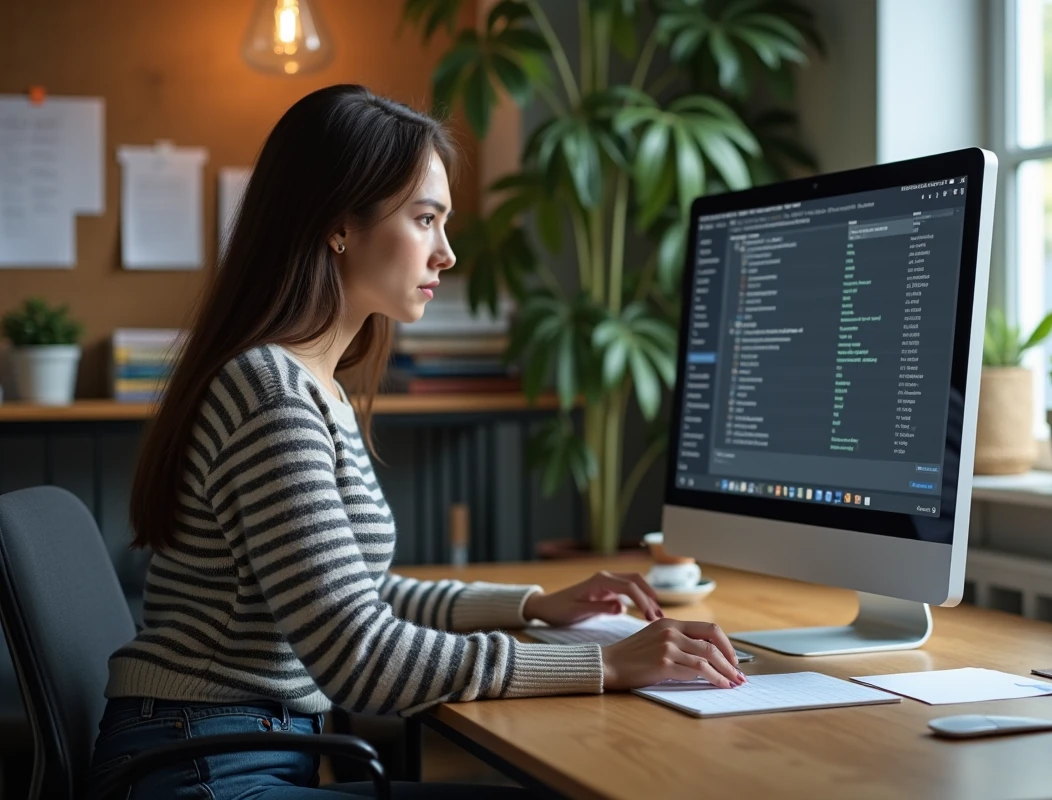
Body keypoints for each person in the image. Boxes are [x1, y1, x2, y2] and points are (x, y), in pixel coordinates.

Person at [86, 84, 745, 800]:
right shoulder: (269, 393)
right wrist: (606, 667)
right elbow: (359, 656)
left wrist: (532, 606)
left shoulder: (311, 385)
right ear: (340, 225)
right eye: (425, 219)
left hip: (240, 747)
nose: (448, 254)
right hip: (202, 767)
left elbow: (359, 598)